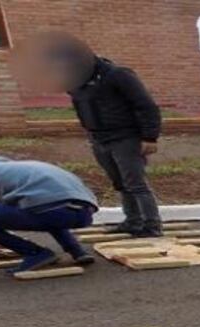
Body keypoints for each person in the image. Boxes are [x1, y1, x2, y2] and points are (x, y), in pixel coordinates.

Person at [0, 154, 98, 274]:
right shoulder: (18, 168)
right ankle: (77, 252)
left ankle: (35, 252)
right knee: (41, 206)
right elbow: (54, 202)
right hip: (84, 214)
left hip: (51, 212)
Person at [69, 51, 163, 238]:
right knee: (120, 183)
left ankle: (152, 225)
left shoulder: (118, 75)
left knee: (135, 183)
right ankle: (133, 221)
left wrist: (150, 137)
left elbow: (146, 105)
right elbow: (81, 108)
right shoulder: (76, 82)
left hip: (126, 137)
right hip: (99, 138)